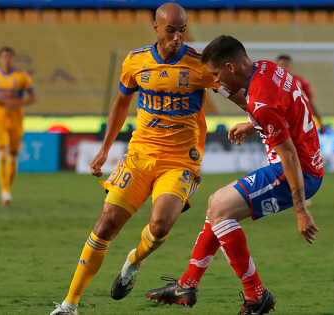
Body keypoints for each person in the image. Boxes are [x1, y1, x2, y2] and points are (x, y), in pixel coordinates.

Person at [49, 5, 244, 315]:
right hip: (139, 156)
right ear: (156, 27)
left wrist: (257, 117)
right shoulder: (135, 60)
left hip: (180, 161)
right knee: (105, 225)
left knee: (161, 224)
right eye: (171, 30)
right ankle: (69, 305)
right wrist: (104, 149)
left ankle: (133, 262)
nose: (178, 37)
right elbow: (121, 102)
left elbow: (237, 93)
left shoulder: (199, 65)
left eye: (182, 30)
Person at [146, 35, 324, 315]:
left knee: (218, 205)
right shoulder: (266, 69)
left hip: (295, 171)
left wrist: (300, 209)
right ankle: (187, 283)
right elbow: (282, 111)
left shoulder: (261, 102)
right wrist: (253, 125)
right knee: (218, 210)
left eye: (216, 75)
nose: (217, 82)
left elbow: (288, 154)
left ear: (231, 67)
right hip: (305, 162)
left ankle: (256, 294)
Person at [0, 47, 37, 205]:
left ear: (13, 58)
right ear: (0, 59)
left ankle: (8, 189)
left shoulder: (22, 76)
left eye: (9, 57)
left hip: (16, 121)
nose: (6, 59)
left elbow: (33, 97)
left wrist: (20, 104)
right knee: (2, 153)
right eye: (4, 56)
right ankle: (5, 192)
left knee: (13, 156)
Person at [277, 55, 326, 134]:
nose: (283, 68)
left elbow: (310, 103)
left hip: (299, 126)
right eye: (280, 65)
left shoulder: (301, 82)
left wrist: (320, 122)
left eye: (285, 65)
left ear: (291, 67)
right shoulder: (271, 83)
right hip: (279, 125)